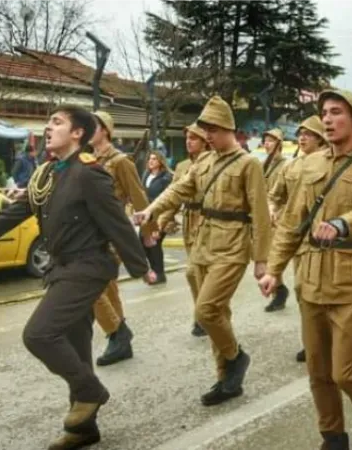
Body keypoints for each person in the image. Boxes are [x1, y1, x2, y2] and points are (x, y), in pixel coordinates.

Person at [0, 105, 154, 449]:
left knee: (39, 334)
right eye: (48, 122)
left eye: (57, 122)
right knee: (76, 347)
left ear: (78, 134)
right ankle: (83, 429)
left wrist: (141, 265)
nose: (48, 127)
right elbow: (17, 210)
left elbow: (115, 221)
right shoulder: (46, 173)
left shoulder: (90, 173)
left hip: (87, 267)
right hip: (61, 268)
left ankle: (92, 392)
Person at [258, 89, 352, 450]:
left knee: (346, 372)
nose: (328, 119)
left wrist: (344, 224)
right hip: (312, 280)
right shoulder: (310, 166)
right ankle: (333, 436)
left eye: (336, 112)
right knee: (318, 372)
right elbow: (292, 223)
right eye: (324, 113)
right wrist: (274, 269)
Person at [135, 96, 270, 407]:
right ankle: (226, 379)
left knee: (206, 311)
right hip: (201, 243)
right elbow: (179, 190)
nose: (207, 134)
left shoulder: (248, 164)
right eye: (204, 128)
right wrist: (151, 210)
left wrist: (262, 261)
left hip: (232, 247)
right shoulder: (204, 162)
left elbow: (261, 215)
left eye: (213, 128)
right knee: (216, 315)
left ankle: (236, 358)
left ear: (228, 129)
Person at [89, 111, 157, 367]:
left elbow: (139, 198)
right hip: (91, 231)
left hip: (109, 232)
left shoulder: (120, 161)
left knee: (90, 286)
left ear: (105, 130)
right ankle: (120, 341)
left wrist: (149, 232)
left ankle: (117, 332)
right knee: (107, 287)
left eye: (92, 126)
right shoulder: (87, 160)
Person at [268, 115, 326, 362]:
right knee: (303, 292)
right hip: (298, 239)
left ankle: (326, 340)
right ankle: (312, 342)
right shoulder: (290, 167)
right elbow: (275, 195)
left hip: (325, 241)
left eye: (309, 134)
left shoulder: (329, 165)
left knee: (322, 294)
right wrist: (272, 208)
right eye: (300, 133)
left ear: (320, 139)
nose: (302, 137)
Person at [158, 123, 211, 337]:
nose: (189, 142)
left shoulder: (214, 163)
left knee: (195, 271)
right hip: (189, 219)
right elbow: (174, 195)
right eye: (187, 138)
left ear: (205, 141)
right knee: (195, 273)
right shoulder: (181, 166)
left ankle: (206, 315)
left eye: (194, 138)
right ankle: (204, 314)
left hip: (207, 219)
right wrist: (162, 220)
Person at [261, 128, 291, 312]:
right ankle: (279, 289)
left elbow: (285, 194)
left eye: (271, 141)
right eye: (265, 140)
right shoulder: (264, 164)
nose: (266, 144)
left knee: (273, 257)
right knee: (267, 257)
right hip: (265, 216)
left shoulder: (285, 165)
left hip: (278, 217)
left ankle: (279, 291)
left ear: (279, 144)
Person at [141, 151, 173, 283]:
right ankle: (155, 270)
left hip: (160, 215)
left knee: (155, 244)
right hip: (146, 215)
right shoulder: (146, 175)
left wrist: (165, 219)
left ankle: (159, 274)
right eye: (149, 159)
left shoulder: (166, 177)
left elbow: (170, 198)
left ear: (160, 161)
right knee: (143, 243)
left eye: (154, 159)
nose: (151, 161)